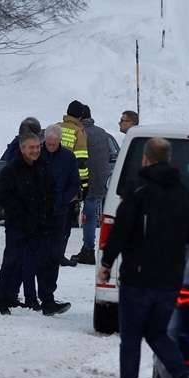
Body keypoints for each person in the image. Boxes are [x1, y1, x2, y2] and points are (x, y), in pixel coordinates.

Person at [100, 138, 189, 378]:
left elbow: (121, 229)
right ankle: (184, 377)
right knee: (157, 333)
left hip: (138, 277)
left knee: (131, 338)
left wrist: (107, 262)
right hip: (170, 278)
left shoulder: (138, 190)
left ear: (146, 158)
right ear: (168, 160)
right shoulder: (184, 193)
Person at [0, 132, 48, 315]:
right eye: (31, 147)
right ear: (22, 148)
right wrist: (18, 211)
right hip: (17, 224)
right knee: (11, 261)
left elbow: (48, 193)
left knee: (31, 263)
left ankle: (23, 297)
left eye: (38, 147)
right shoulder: (11, 169)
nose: (35, 151)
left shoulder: (42, 167)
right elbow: (0, 195)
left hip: (36, 225)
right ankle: (3, 300)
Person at [75, 104, 115, 266]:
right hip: (101, 180)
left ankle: (88, 249)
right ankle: (90, 248)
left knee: (85, 215)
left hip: (84, 179)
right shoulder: (103, 133)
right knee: (93, 214)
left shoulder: (80, 133)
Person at [43, 125, 81, 270]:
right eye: (48, 143)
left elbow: (74, 183)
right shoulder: (38, 154)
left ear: (60, 140)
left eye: (54, 143)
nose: (51, 146)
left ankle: (57, 258)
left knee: (58, 239)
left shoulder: (68, 157)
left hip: (60, 207)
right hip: (39, 207)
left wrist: (64, 200)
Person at [60, 100, 90, 265]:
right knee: (65, 223)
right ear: (80, 116)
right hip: (69, 184)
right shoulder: (79, 132)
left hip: (51, 182)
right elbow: (81, 162)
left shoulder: (56, 128)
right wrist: (84, 186)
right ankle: (59, 255)